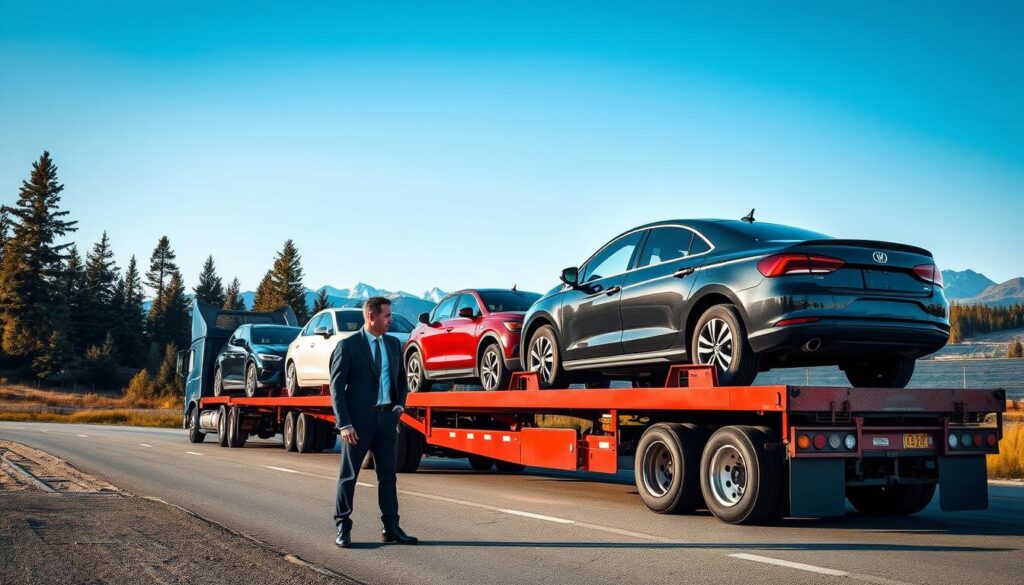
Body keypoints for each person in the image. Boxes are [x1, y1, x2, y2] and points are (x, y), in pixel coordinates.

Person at [329, 296, 417, 548]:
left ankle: (391, 528)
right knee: (349, 476)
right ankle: (342, 528)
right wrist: (344, 424)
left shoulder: (392, 344)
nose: (391, 320)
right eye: (387, 316)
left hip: (386, 421)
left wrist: (399, 405)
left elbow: (402, 381)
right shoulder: (348, 346)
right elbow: (337, 388)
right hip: (357, 425)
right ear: (371, 317)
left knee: (388, 477)